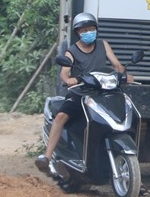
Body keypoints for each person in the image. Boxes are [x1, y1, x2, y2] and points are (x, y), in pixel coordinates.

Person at [36, 12, 128, 175]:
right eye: (84, 30)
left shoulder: (103, 45)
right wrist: (69, 79)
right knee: (61, 116)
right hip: (81, 92)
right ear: (78, 32)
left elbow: (117, 65)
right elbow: (64, 73)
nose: (88, 32)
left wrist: (121, 74)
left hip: (104, 91)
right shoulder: (72, 51)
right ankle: (47, 156)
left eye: (91, 28)